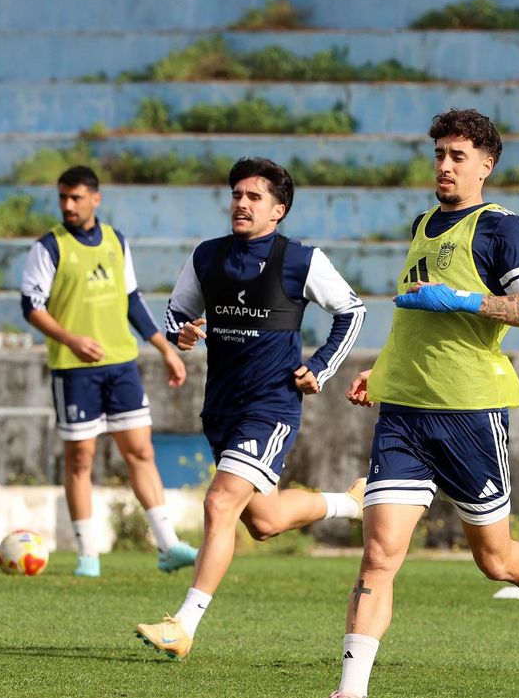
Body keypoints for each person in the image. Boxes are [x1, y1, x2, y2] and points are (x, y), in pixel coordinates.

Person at [303, 108, 519, 698]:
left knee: (495, 560)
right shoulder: (421, 225)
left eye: (458, 156)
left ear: (486, 165)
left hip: (468, 414)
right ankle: (353, 696)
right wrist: (382, 369)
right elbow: (412, 314)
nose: (443, 165)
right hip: (404, 412)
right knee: (379, 553)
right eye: (439, 153)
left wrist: (466, 300)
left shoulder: (503, 229)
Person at [134, 157, 367, 660]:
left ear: (278, 209)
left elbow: (353, 310)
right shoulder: (207, 256)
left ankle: (184, 624)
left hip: (271, 407)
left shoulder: (301, 260)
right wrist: (183, 331)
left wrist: (321, 366)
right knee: (262, 522)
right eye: (236, 195)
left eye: (254, 197)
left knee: (219, 504)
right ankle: (351, 503)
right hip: (220, 408)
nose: (241, 203)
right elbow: (178, 310)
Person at [20, 165, 199, 578]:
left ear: (95, 198)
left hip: (121, 365)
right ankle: (88, 555)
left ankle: (168, 545)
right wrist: (71, 340)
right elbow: (31, 307)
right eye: (63, 197)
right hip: (74, 370)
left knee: (141, 452)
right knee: (81, 459)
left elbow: (132, 300)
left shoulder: (117, 241)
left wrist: (164, 349)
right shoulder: (48, 248)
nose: (68, 204)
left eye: (76, 197)